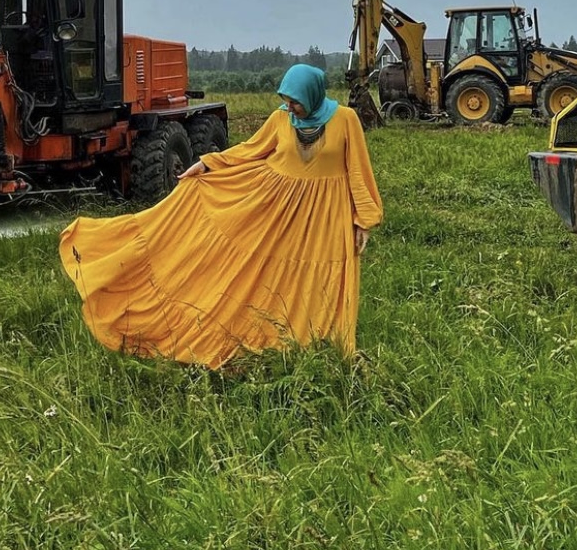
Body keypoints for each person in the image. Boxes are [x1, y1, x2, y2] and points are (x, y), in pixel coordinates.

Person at [58, 64, 384, 369]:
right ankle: (279, 334)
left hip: (326, 213)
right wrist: (208, 163)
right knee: (271, 272)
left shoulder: (345, 120)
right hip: (276, 209)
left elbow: (358, 169)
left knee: (321, 274)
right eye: (285, 100)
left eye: (295, 101)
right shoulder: (280, 120)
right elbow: (249, 151)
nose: (290, 107)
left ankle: (319, 342)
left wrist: (363, 219)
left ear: (312, 94)